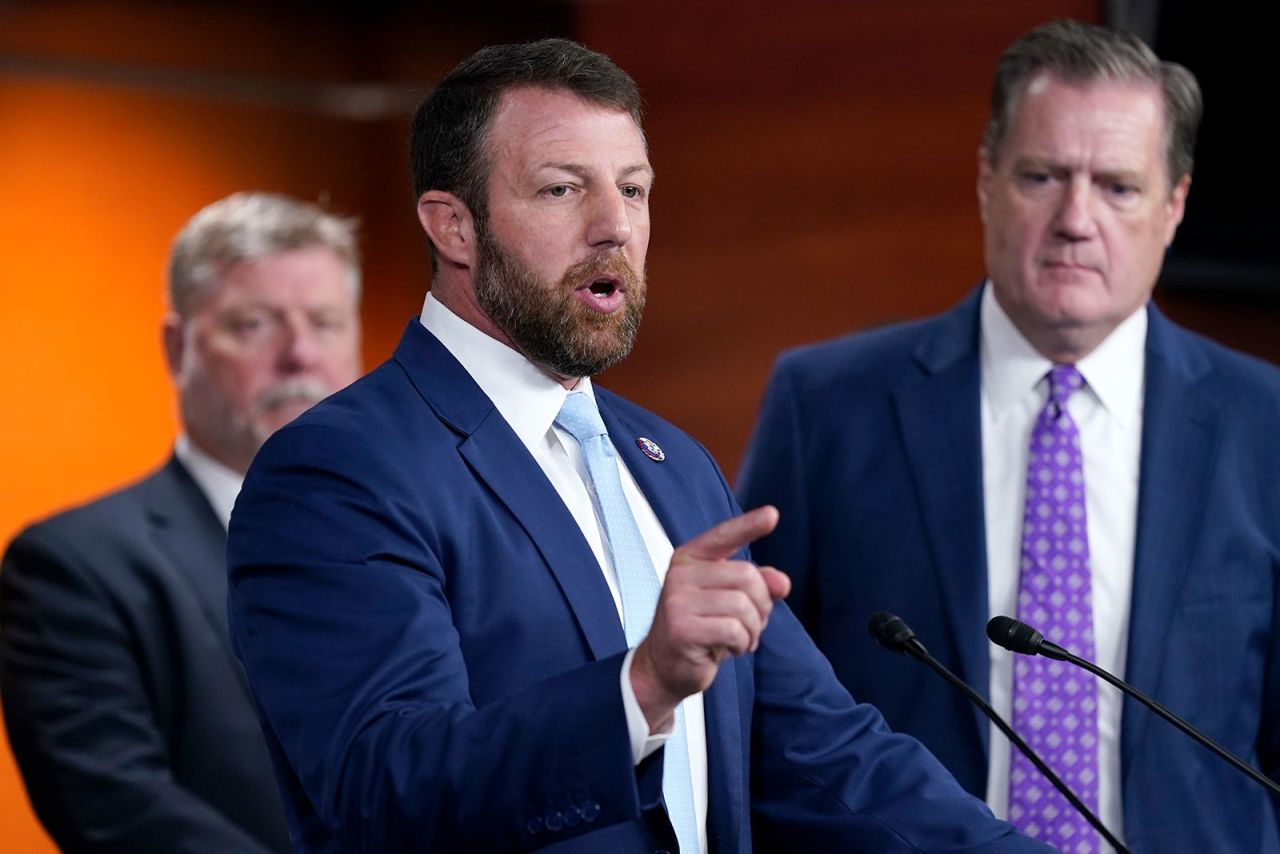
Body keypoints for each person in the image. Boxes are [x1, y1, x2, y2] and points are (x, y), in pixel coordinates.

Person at [226, 39, 1051, 854]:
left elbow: (826, 756)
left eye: (633, 189)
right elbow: (385, 789)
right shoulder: (337, 472)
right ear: (455, 227)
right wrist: (641, 686)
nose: (613, 226)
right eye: (560, 189)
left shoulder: (673, 464)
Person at [738, 19, 1280, 854]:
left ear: (1174, 206)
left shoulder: (1263, 424)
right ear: (988, 180)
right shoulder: (827, 408)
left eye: (1118, 187)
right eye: (1043, 175)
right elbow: (757, 705)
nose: (1075, 218)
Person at [1, 192, 363, 853]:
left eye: (326, 323)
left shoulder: (435, 538)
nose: (301, 356)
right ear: (176, 349)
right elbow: (120, 812)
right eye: (255, 324)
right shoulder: (72, 568)